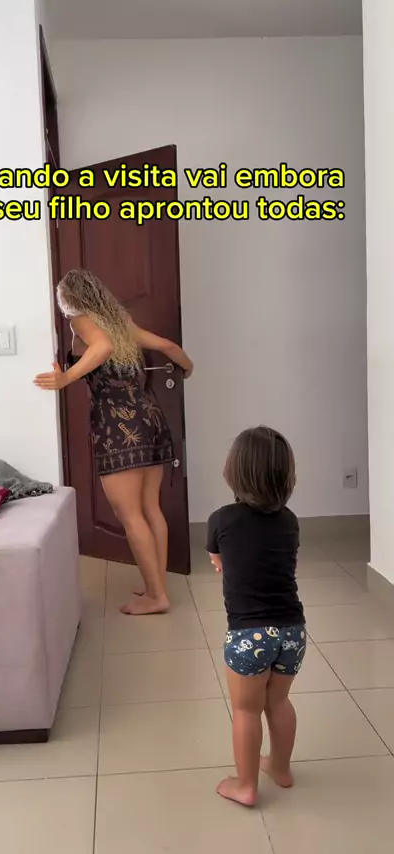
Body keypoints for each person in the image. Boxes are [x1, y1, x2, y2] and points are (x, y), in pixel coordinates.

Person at [34, 269, 193, 616]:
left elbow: (103, 348)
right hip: (150, 419)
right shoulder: (121, 323)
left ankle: (156, 597)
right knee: (151, 509)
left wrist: (65, 379)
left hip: (118, 427)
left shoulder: (81, 321)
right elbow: (169, 347)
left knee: (131, 514)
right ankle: (156, 586)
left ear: (68, 298)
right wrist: (188, 367)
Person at [207, 426, 305, 807]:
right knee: (278, 702)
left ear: (234, 471)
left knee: (246, 709)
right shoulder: (290, 521)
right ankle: (280, 768)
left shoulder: (221, 519)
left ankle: (245, 785)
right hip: (293, 631)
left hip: (249, 634)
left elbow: (218, 561)